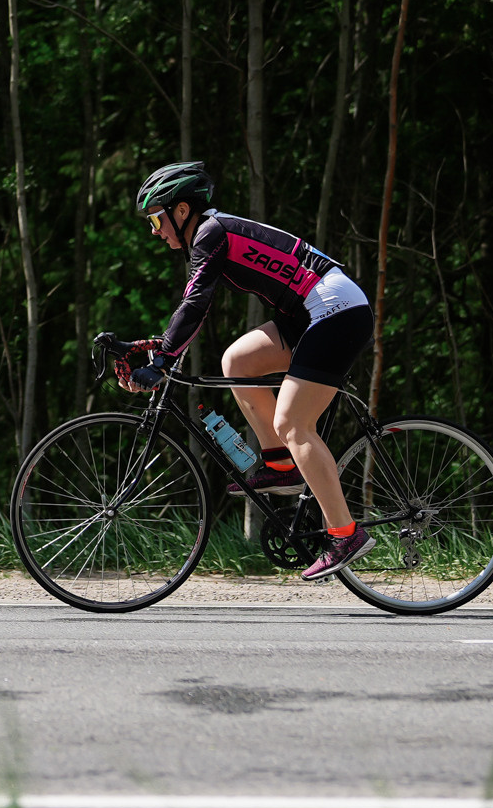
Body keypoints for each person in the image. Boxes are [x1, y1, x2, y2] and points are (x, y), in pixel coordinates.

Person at [119, 160, 376, 581]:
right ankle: (281, 466)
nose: (154, 230)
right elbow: (193, 307)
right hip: (312, 310)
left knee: (294, 422)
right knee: (237, 361)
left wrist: (163, 359)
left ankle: (345, 533)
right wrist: (161, 348)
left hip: (336, 310)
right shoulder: (211, 232)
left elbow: (195, 303)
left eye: (155, 218)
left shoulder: (211, 233)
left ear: (181, 211)